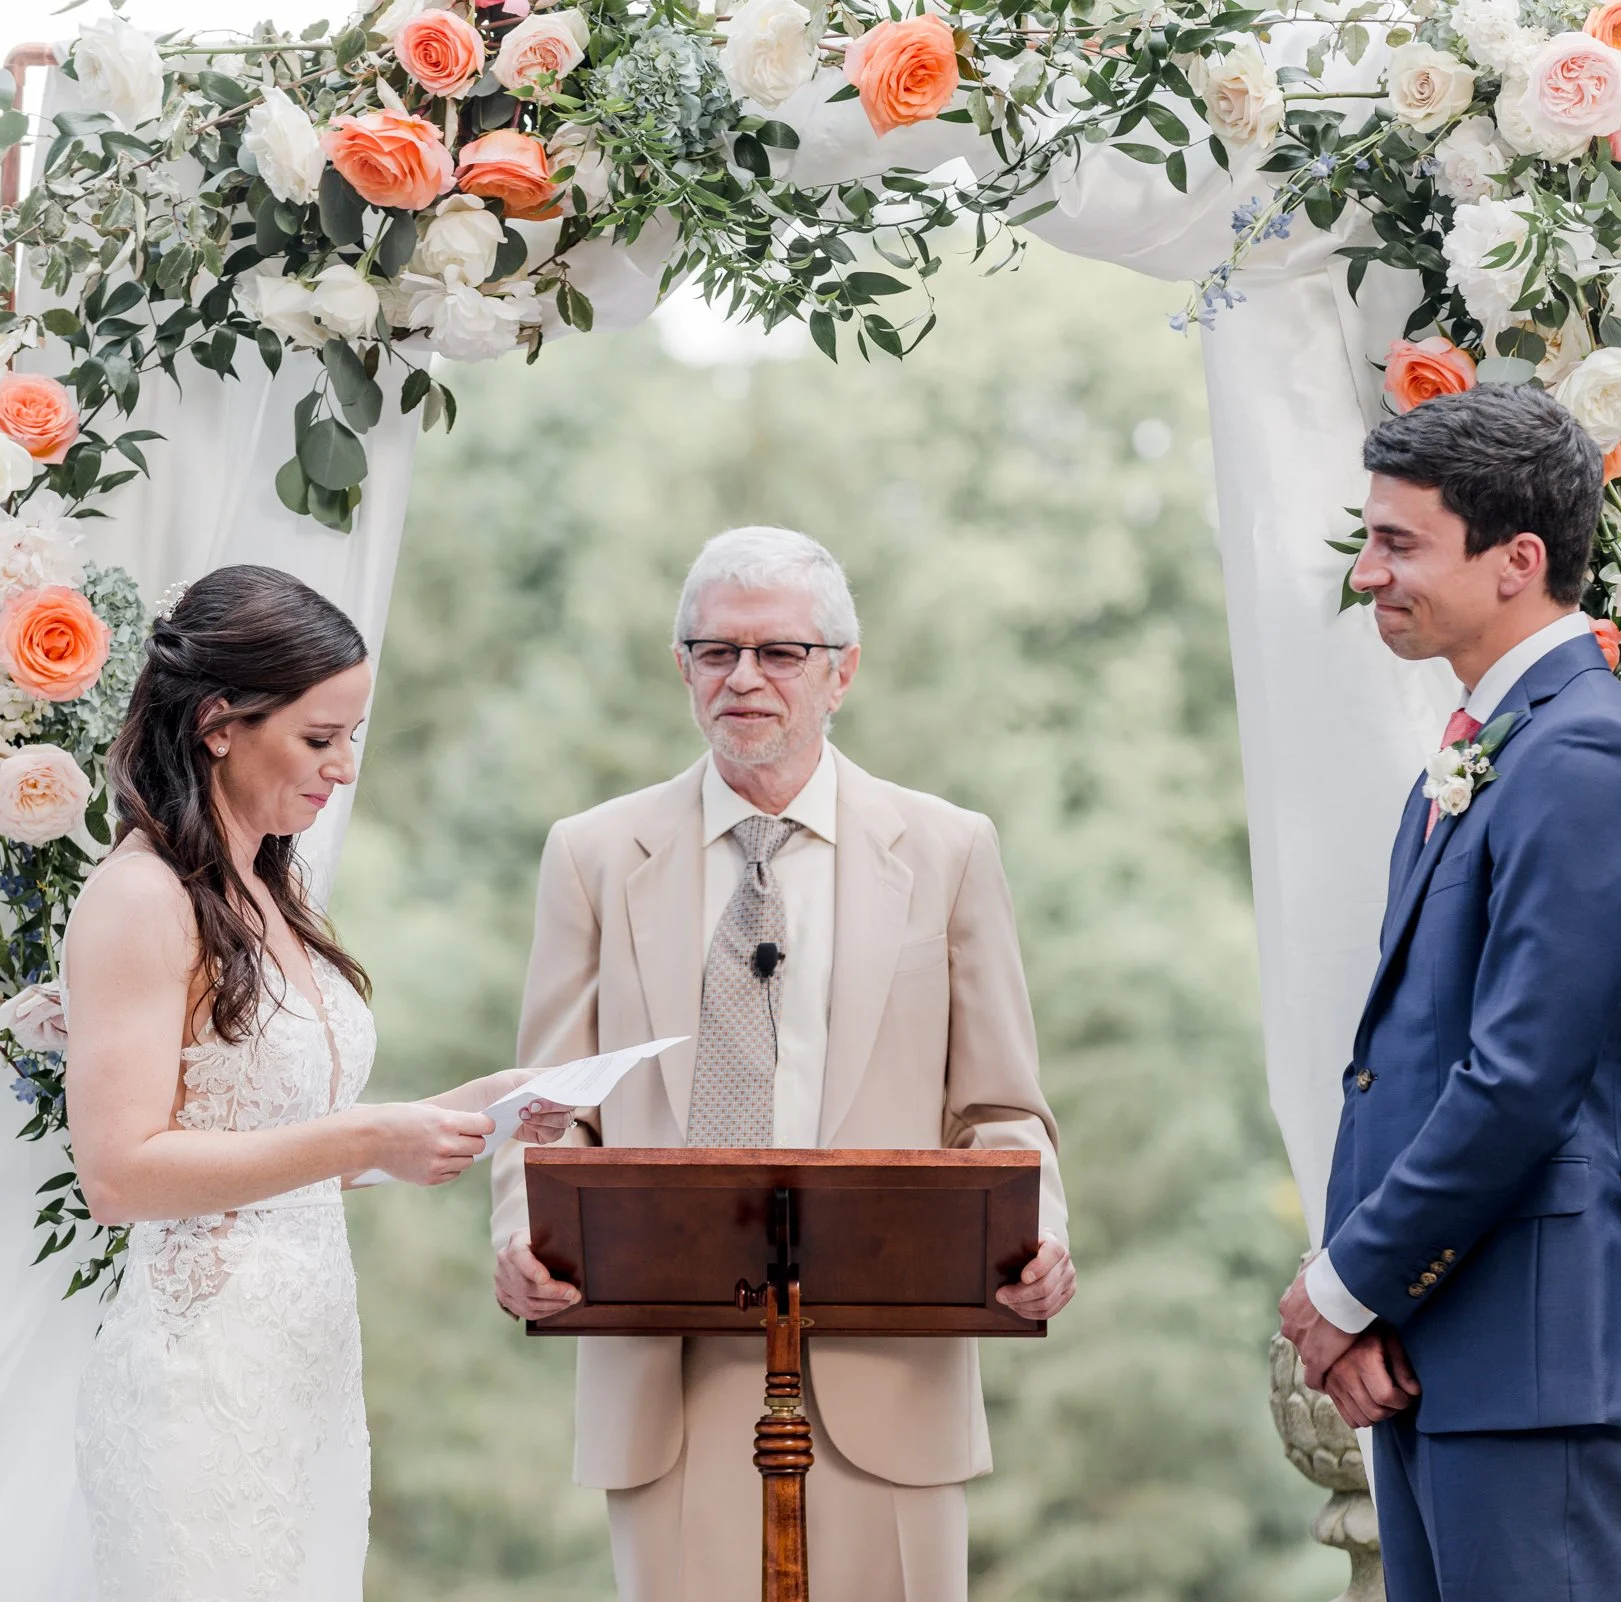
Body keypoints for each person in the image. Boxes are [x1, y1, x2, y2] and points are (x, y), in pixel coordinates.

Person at [487, 526, 1075, 1602]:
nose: (744, 677)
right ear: (682, 670)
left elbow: (999, 1108)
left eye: (780, 653)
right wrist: (517, 1236)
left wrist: (1043, 1238)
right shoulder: (593, 854)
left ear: (844, 669)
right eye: (715, 652)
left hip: (888, 1368)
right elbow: (549, 1106)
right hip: (663, 1366)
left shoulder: (947, 849)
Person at [60, 564, 574, 1601]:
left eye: (352, 738)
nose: (343, 770)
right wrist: (363, 1140)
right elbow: (118, 1175)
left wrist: (479, 1104)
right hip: (201, 1382)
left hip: (307, 1372)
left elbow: (280, 1139)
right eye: (318, 737)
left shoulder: (269, 890)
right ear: (218, 722)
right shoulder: (140, 897)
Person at [1276, 387, 1621, 1601]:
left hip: (1531, 1351)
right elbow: (1403, 1063)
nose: (1367, 575)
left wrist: (1349, 1282)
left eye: (1398, 542)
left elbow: (1520, 1077)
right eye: (1371, 540)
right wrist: (1374, 1311)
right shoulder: (1491, 744)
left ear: (1519, 561)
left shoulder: (1589, 757)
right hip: (1441, 1343)